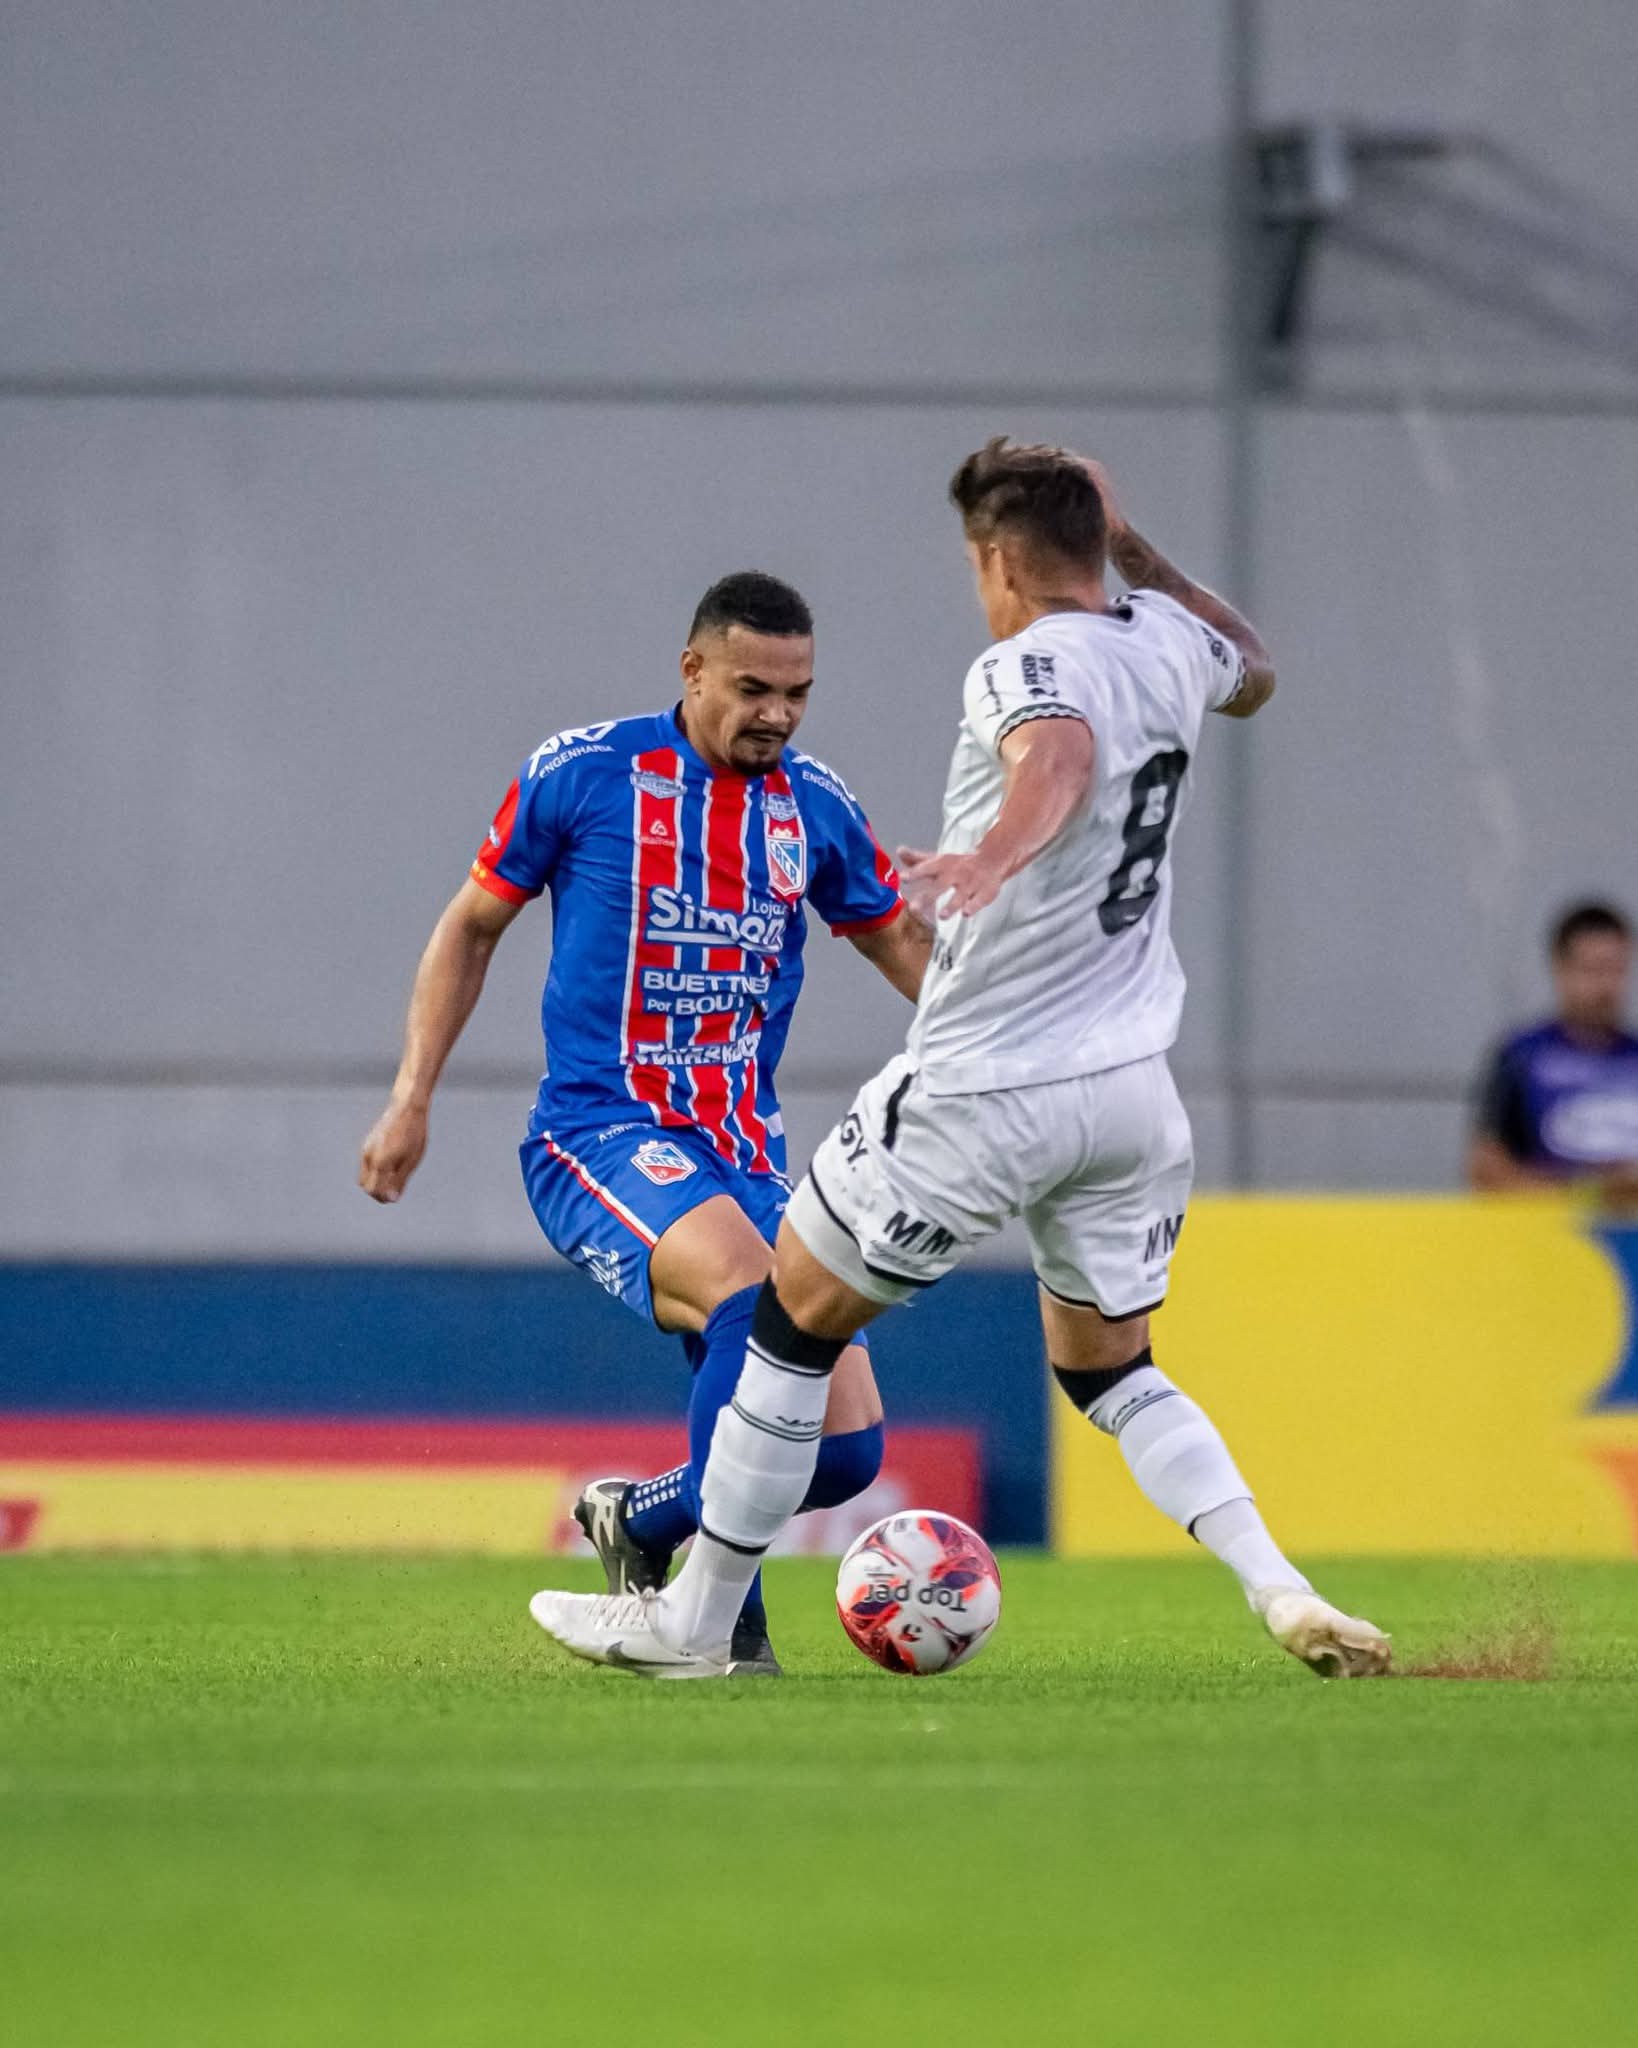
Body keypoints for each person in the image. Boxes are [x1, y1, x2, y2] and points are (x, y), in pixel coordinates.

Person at [529, 438, 1391, 1681]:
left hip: (987, 1083)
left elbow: (1058, 755)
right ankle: (1283, 1587)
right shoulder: (1167, 638)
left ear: (994, 560)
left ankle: (694, 1624)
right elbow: (1252, 665)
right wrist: (1132, 546)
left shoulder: (1024, 661)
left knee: (784, 1327)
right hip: (1134, 1093)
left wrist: (990, 856)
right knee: (1116, 1370)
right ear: (1099, 542)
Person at [360, 571, 931, 1673]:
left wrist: (1003, 1044)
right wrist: (410, 1097)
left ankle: (642, 1519)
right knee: (753, 1307)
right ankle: (711, 1620)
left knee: (848, 1448)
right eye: (754, 689)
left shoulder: (814, 804)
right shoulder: (585, 772)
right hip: (601, 1132)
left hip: (746, 1156)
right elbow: (471, 925)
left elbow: (898, 940)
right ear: (693, 670)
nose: (777, 714)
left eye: (798, 693)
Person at [1468, 901, 1638, 1213]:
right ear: (1560, 969)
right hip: (1548, 1231)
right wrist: (1589, 1196)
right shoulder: (1523, 1056)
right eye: (1592, 970)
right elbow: (1486, 1171)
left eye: (1616, 969)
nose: (1605, 986)